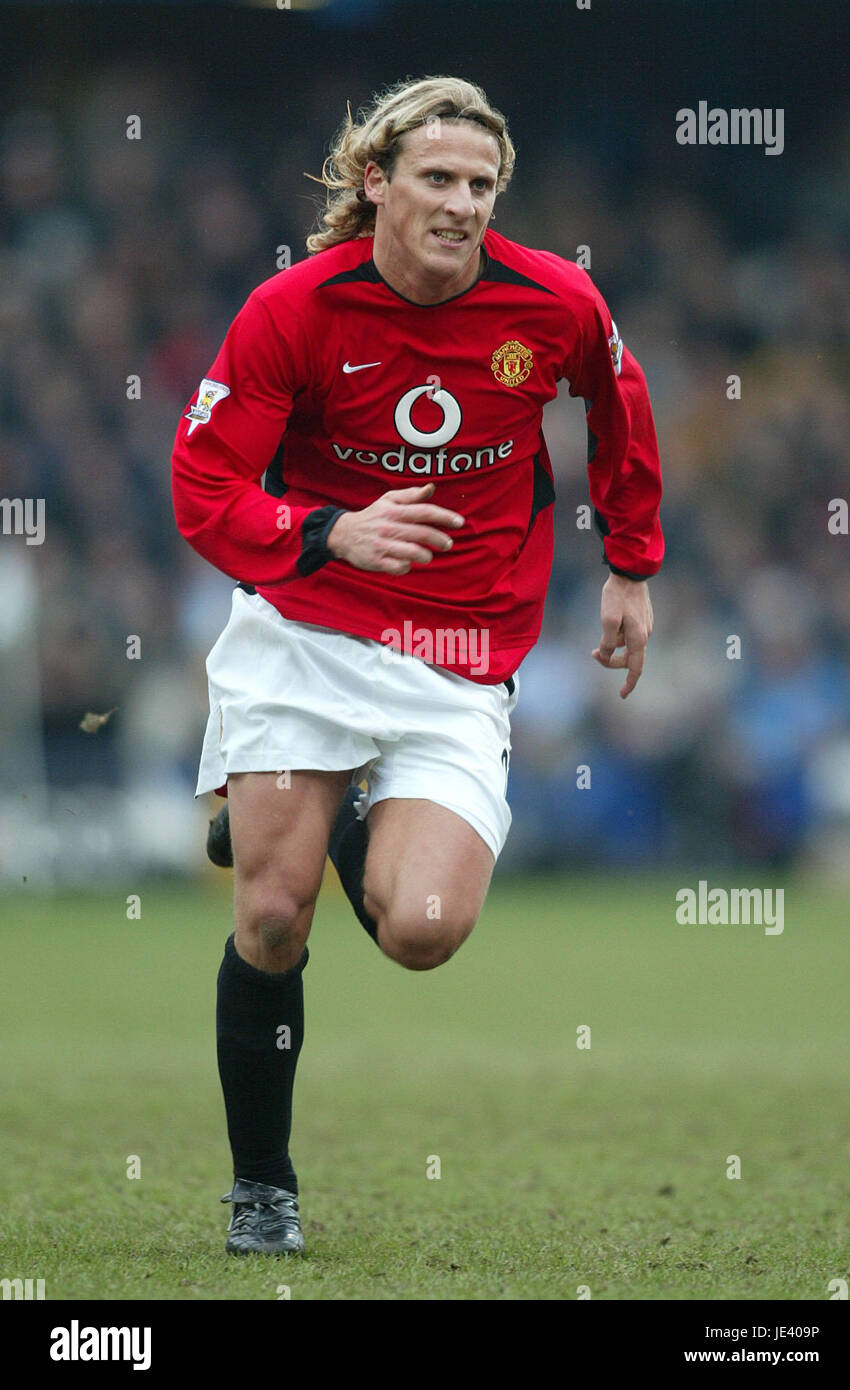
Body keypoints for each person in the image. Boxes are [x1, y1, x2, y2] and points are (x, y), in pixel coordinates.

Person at [170, 74, 663, 1256]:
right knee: (275, 918)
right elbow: (203, 487)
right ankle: (263, 1191)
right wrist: (328, 530)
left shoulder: (552, 302)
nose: (460, 204)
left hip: (458, 657)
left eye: (480, 185)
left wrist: (631, 565)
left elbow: (616, 400)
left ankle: (322, 814)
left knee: (424, 926)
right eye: (436, 179)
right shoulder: (293, 309)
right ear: (375, 182)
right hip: (305, 631)